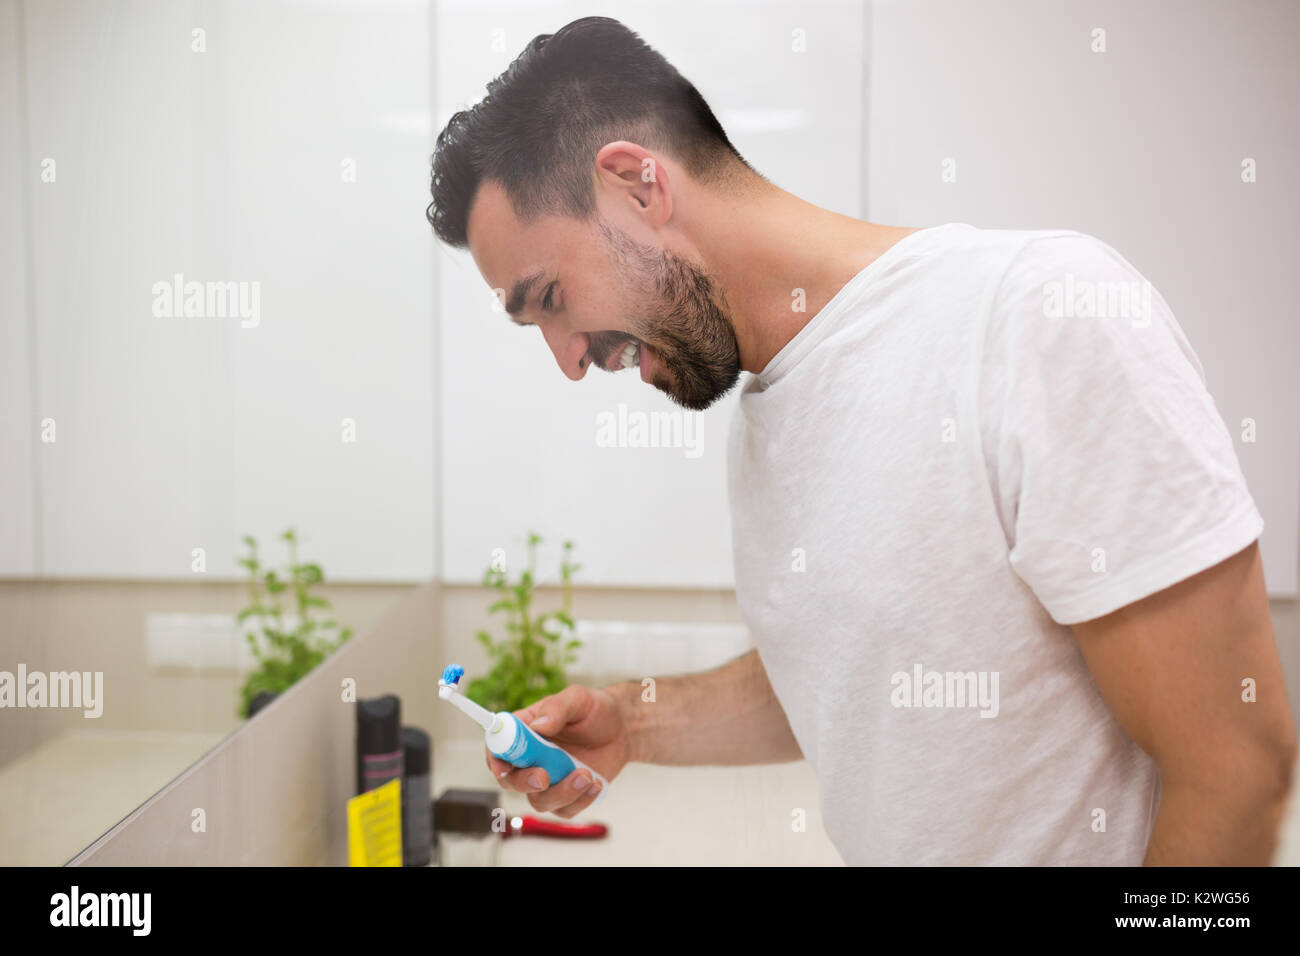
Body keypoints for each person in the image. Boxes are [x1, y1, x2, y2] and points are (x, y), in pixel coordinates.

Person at [426, 16, 1296, 864]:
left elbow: (1234, 767)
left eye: (549, 299)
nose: (569, 362)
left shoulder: (1036, 315)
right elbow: (862, 680)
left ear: (636, 185)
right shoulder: (768, 414)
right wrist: (634, 721)